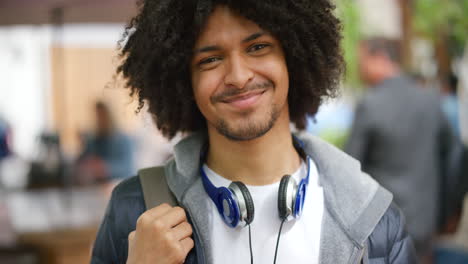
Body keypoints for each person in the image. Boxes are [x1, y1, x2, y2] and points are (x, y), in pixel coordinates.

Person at [92, 2, 416, 263]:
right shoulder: (134, 210)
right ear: (183, 81)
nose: (238, 75)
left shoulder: (375, 223)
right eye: (211, 59)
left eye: (258, 47)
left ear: (293, 58)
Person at [345, 37, 453, 261]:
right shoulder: (430, 100)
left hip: (382, 230)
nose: (359, 67)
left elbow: (349, 171)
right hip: (425, 224)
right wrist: (446, 213)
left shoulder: (370, 104)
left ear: (381, 58)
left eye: (363, 60)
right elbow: (455, 158)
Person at [76, 101, 135, 183]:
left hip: (117, 183)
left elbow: (127, 167)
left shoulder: (122, 139)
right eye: (96, 116)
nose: (98, 120)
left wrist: (104, 168)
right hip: (97, 186)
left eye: (101, 115)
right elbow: (80, 161)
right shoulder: (93, 140)